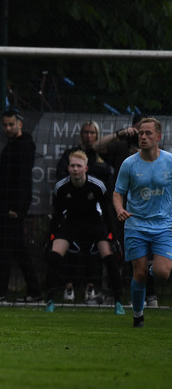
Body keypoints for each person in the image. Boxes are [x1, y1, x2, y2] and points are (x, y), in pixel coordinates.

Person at [44, 150, 123, 314]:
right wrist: (50, 237)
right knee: (54, 255)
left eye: (78, 166)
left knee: (110, 258)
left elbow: (108, 214)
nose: (75, 169)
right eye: (72, 165)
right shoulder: (61, 187)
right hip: (70, 224)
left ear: (86, 168)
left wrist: (113, 238)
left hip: (95, 224)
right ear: (68, 168)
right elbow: (57, 215)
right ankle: (50, 300)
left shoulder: (97, 186)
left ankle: (118, 302)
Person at [113, 117, 172, 327]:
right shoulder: (129, 164)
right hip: (136, 224)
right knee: (138, 273)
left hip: (164, 225)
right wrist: (120, 209)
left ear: (158, 137)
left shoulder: (169, 161)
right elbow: (118, 193)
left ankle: (151, 269)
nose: (143, 137)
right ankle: (138, 316)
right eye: (140, 133)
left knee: (163, 272)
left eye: (148, 133)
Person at [0, 109, 44, 303]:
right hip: (7, 205)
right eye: (5, 125)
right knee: (14, 248)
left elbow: (23, 179)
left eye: (11, 124)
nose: (7, 128)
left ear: (19, 124)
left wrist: (18, 207)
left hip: (13, 207)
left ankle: (3, 291)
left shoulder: (24, 146)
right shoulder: (10, 146)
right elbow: (2, 177)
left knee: (8, 249)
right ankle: (31, 291)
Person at [54, 121, 114, 303]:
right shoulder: (70, 155)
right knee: (67, 249)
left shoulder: (103, 156)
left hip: (94, 215)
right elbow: (61, 174)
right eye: (85, 132)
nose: (88, 136)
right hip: (71, 213)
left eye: (92, 132)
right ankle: (68, 288)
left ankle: (92, 288)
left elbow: (109, 174)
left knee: (96, 251)